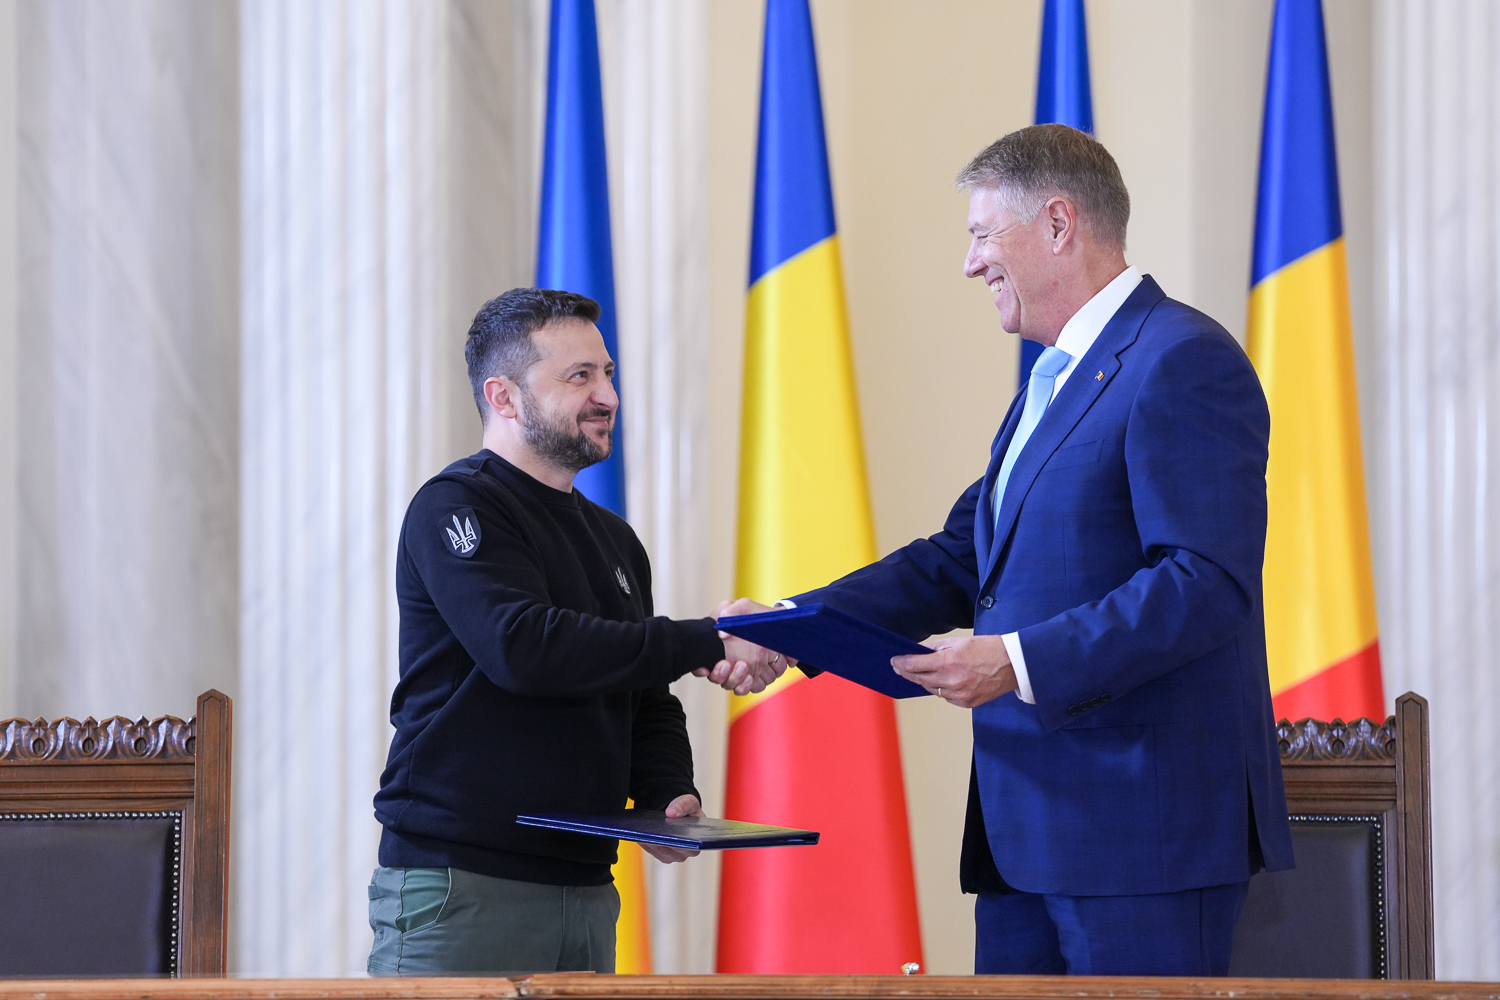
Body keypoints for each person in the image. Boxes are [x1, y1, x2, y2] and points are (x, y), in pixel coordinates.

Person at [716, 124, 1294, 976]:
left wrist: (1017, 661)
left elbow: (1204, 583)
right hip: (1026, 833)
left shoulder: (1182, 359)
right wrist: (793, 625)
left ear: (1058, 223)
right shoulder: (1052, 379)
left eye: (983, 235)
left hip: (1143, 840)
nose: (970, 263)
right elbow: (961, 557)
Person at [369, 287, 780, 976]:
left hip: (587, 886)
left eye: (608, 373)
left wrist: (666, 791)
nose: (608, 396)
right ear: (503, 397)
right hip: (463, 884)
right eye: (579, 376)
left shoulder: (615, 540)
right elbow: (524, 648)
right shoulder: (457, 506)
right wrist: (710, 639)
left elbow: (644, 695)